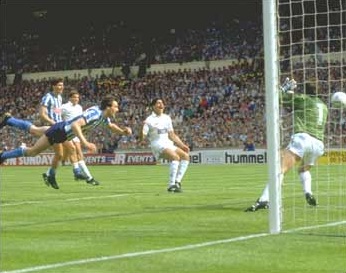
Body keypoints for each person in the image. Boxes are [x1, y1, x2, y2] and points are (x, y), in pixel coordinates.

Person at [0, 96, 132, 189]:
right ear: (108, 107)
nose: (117, 109)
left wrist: (122, 132)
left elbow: (111, 126)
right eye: (116, 106)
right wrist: (85, 142)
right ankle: (3, 155)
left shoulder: (102, 116)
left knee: (35, 131)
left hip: (62, 131)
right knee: (33, 151)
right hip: (60, 132)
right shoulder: (95, 113)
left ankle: (9, 120)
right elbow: (75, 125)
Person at [245, 78, 328, 211]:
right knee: (303, 169)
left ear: (304, 91)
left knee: (279, 170)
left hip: (303, 139)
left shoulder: (304, 99)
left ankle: (263, 200)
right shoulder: (323, 106)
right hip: (318, 144)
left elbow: (276, 97)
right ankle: (308, 192)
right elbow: (293, 107)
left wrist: (284, 89)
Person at [39, 78, 87, 184]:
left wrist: (63, 118)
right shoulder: (48, 97)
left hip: (60, 127)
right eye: (59, 85)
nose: (62, 87)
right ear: (54, 86)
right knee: (71, 148)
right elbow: (42, 114)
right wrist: (53, 123)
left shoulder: (59, 98)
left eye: (62, 85)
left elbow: (57, 111)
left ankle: (49, 174)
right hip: (53, 128)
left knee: (61, 154)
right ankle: (77, 172)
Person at [140, 98, 190, 193]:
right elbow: (142, 137)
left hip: (168, 143)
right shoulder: (149, 120)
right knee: (175, 157)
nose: (161, 104)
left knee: (185, 156)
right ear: (153, 106)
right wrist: (141, 129)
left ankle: (177, 182)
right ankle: (171, 185)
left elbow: (172, 135)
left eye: (162, 103)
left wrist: (182, 145)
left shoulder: (167, 118)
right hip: (157, 144)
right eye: (158, 103)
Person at [61, 90, 99, 185]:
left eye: (78, 97)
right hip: (68, 131)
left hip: (77, 132)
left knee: (79, 153)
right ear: (70, 98)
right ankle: (84, 175)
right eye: (75, 97)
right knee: (74, 150)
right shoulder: (64, 107)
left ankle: (85, 176)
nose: (77, 99)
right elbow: (55, 113)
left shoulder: (79, 107)